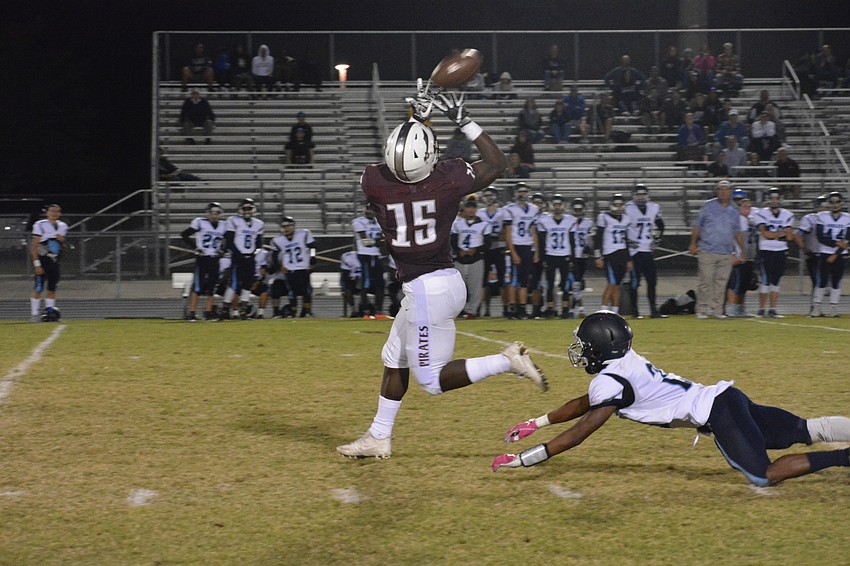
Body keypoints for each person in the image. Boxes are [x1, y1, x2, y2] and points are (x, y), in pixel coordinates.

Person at [336, 88, 547, 460]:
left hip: (423, 291)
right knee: (394, 358)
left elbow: (407, 157)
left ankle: (507, 361)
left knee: (431, 382)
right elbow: (497, 163)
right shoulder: (448, 180)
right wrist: (463, 120)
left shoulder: (374, 182)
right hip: (445, 282)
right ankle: (378, 436)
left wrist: (416, 115)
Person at [491, 311, 850, 487]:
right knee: (804, 428)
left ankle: (844, 457)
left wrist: (526, 459)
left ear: (601, 349)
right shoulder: (623, 364)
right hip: (728, 398)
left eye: (585, 346)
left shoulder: (611, 381)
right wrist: (536, 422)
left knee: (763, 475)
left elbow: (581, 431)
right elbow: (585, 403)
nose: (581, 352)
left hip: (718, 415)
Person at [689, 180, 745, 319]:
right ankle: (702, 308)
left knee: (721, 283)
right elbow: (697, 226)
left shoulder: (734, 210)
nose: (723, 192)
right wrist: (693, 243)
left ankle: (717, 309)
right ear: (716, 191)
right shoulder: (708, 206)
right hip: (707, 249)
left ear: (730, 192)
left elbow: (737, 232)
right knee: (706, 281)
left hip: (726, 251)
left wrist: (741, 250)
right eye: (720, 190)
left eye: (726, 190)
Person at [752, 188, 798, 318]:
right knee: (765, 280)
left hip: (780, 251)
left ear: (780, 200)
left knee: (776, 281)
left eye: (776, 198)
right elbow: (765, 234)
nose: (774, 201)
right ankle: (761, 309)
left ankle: (772, 309)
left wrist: (775, 235)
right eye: (772, 198)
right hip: (766, 251)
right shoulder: (761, 214)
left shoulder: (787, 214)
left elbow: (789, 237)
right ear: (768, 200)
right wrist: (781, 234)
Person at [625, 185, 665, 318]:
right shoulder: (628, 208)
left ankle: (654, 310)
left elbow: (661, 225)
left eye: (643, 194)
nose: (641, 197)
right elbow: (621, 229)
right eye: (638, 195)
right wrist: (627, 242)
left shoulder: (654, 207)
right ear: (634, 196)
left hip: (648, 250)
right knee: (635, 283)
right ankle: (635, 312)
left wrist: (658, 238)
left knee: (652, 281)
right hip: (634, 251)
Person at [181, 202, 226, 321]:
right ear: (208, 213)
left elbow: (230, 239)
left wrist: (223, 250)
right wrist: (195, 247)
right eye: (212, 213)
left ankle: (208, 311)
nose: (214, 215)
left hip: (215, 258)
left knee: (212, 287)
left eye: (217, 213)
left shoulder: (223, 225)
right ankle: (192, 312)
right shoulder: (200, 222)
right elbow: (184, 234)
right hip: (203, 258)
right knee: (198, 287)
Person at [451, 196, 492, 319]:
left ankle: (471, 311)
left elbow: (487, 244)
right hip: (460, 259)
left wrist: (476, 250)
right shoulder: (457, 224)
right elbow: (452, 241)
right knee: (458, 288)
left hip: (476, 259)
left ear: (476, 209)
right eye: (468, 207)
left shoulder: (484, 225)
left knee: (475, 288)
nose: (471, 210)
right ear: (464, 209)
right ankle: (458, 310)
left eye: (473, 208)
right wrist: (459, 251)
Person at [223, 198, 264, 320]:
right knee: (234, 285)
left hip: (250, 257)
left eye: (249, 208)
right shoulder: (233, 220)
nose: (247, 211)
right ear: (240, 209)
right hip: (237, 257)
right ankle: (225, 308)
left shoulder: (258, 224)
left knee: (248, 284)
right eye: (245, 208)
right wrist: (238, 255)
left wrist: (253, 254)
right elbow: (229, 241)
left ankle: (243, 310)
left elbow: (259, 243)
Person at [504, 183, 540, 319]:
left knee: (524, 280)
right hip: (516, 246)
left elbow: (533, 231)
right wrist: (512, 252)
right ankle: (512, 307)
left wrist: (536, 251)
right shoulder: (509, 209)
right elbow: (508, 233)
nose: (522, 195)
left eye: (525, 192)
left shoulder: (533, 209)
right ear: (515, 193)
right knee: (514, 280)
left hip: (527, 246)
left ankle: (522, 308)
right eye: (520, 192)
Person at [810, 191, 850, 317]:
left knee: (836, 281)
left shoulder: (847, 217)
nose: (835, 205)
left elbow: (848, 239)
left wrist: (836, 254)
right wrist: (837, 244)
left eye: (837, 202)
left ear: (842, 203)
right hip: (825, 252)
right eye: (832, 202)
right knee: (822, 281)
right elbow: (820, 237)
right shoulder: (822, 216)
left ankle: (833, 309)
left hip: (839, 255)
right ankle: (816, 308)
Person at [269, 216, 316, 318]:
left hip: (303, 267)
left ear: (293, 226)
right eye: (284, 227)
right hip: (290, 269)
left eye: (288, 226)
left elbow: (312, 247)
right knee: (292, 292)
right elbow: (274, 255)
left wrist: (313, 259)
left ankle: (307, 311)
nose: (286, 229)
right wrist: (279, 267)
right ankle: (294, 313)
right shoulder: (278, 240)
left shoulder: (303, 234)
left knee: (306, 291)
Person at [535, 194, 574, 318]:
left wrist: (572, 257)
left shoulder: (570, 220)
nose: (557, 207)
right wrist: (543, 257)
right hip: (550, 255)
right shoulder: (544, 220)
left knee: (566, 284)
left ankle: (565, 308)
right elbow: (541, 240)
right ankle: (551, 309)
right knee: (549, 284)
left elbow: (572, 240)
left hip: (565, 255)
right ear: (551, 206)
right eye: (555, 204)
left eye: (559, 204)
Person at [594, 193, 632, 314]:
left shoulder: (626, 218)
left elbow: (626, 239)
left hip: (622, 254)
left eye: (620, 205)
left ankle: (615, 312)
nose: (618, 207)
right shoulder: (604, 217)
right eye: (616, 205)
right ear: (611, 205)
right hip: (609, 253)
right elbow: (598, 237)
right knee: (611, 283)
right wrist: (597, 256)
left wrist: (629, 259)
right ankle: (603, 311)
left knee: (617, 285)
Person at [30, 204, 68, 322]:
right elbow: (34, 246)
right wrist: (37, 264)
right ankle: (34, 314)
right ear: (47, 213)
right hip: (43, 260)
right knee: (39, 288)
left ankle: (49, 312)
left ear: (60, 214)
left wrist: (63, 242)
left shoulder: (63, 226)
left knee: (52, 288)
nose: (54, 213)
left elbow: (61, 246)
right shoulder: (40, 225)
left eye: (57, 212)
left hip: (54, 260)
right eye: (52, 211)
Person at [477, 187, 509, 318]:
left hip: (499, 248)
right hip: (485, 249)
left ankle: (505, 307)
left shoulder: (503, 212)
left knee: (502, 280)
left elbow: (505, 233)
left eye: (491, 195)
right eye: (487, 195)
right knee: (483, 281)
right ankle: (484, 308)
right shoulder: (479, 213)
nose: (489, 198)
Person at [726, 191, 758, 317]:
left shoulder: (750, 218)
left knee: (744, 284)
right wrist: (734, 253)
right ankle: (732, 309)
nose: (747, 209)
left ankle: (740, 308)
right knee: (734, 283)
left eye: (748, 206)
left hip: (748, 255)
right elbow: (732, 237)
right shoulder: (734, 218)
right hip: (738, 255)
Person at [796, 194, 830, 311]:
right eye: (823, 206)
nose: (825, 209)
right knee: (818, 281)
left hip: (831, 255)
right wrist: (804, 249)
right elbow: (799, 235)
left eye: (827, 206)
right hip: (816, 254)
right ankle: (815, 307)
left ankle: (821, 306)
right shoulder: (810, 218)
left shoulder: (836, 218)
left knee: (826, 282)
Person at [351, 204, 385, 317]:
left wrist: (379, 241)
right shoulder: (358, 221)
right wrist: (380, 241)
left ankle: (378, 311)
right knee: (365, 283)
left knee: (381, 283)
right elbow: (366, 241)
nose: (370, 211)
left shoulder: (379, 221)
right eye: (369, 209)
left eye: (373, 209)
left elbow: (383, 239)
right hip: (364, 255)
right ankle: (365, 311)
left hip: (376, 255)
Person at [568, 198, 594, 318]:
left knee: (577, 284)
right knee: (574, 284)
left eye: (580, 209)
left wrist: (588, 247)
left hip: (582, 256)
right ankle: (578, 309)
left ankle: (573, 309)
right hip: (571, 255)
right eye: (576, 209)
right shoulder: (568, 221)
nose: (578, 212)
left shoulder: (588, 222)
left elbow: (590, 239)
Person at [339, 249, 362, 317]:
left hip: (367, 279)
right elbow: (345, 274)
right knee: (347, 289)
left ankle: (368, 307)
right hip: (353, 279)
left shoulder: (372, 255)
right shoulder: (348, 256)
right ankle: (354, 309)